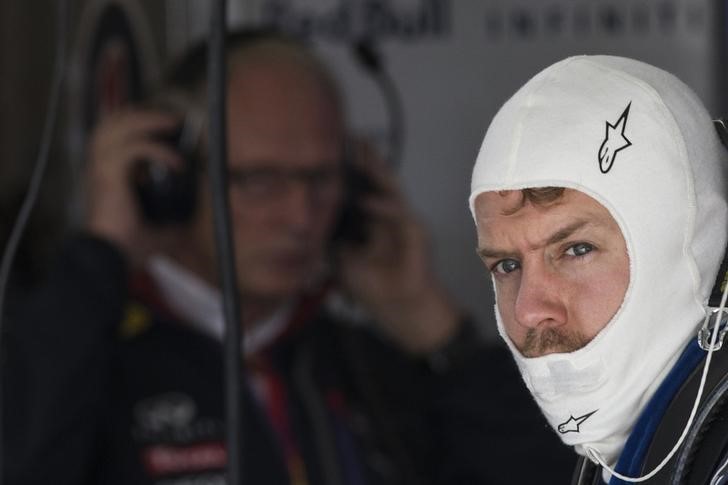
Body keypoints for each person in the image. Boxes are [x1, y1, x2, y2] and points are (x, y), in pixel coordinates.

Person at [2, 29, 574, 484]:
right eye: (259, 181)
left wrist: (431, 325)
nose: (301, 216)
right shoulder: (78, 357)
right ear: (165, 179)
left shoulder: (364, 368)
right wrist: (99, 259)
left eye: (320, 179)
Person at [469, 54, 728, 484]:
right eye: (507, 265)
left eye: (576, 249)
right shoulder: (628, 453)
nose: (529, 309)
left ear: (687, 244)